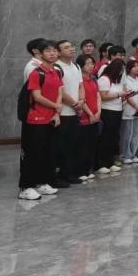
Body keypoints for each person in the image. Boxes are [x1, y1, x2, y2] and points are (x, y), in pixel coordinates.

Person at [19, 40, 63, 200]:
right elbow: (37, 96)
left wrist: (56, 113)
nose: (52, 53)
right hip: (35, 119)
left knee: (46, 153)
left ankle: (41, 183)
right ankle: (26, 187)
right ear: (40, 53)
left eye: (54, 50)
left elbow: (59, 91)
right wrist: (56, 106)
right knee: (32, 153)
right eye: (48, 51)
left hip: (50, 119)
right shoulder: (36, 73)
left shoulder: (56, 72)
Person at [55, 39, 84, 187]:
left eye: (72, 46)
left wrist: (82, 101)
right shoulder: (57, 67)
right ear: (58, 52)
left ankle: (69, 174)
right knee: (60, 146)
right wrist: (75, 104)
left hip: (75, 112)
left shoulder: (76, 66)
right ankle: (59, 175)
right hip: (62, 113)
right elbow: (60, 91)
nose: (71, 49)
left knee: (73, 145)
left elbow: (80, 86)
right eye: (66, 48)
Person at [95, 58, 127, 174]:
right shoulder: (104, 79)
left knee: (113, 138)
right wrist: (118, 94)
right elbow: (103, 96)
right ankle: (101, 164)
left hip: (117, 110)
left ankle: (110, 162)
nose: (121, 72)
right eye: (120, 70)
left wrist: (124, 95)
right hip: (107, 111)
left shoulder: (116, 81)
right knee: (105, 138)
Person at [75, 54, 101, 182]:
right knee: (82, 145)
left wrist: (99, 112)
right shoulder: (78, 80)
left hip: (96, 115)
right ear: (81, 65)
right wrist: (90, 114)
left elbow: (98, 96)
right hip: (85, 116)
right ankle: (80, 171)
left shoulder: (93, 79)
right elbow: (81, 99)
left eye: (92, 63)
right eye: (88, 63)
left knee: (92, 144)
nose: (91, 66)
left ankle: (88, 169)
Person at [120, 59, 138, 164]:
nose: (137, 68)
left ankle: (134, 154)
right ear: (129, 69)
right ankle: (126, 155)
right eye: (134, 66)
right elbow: (127, 96)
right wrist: (136, 106)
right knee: (127, 134)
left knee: (137, 134)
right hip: (129, 109)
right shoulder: (126, 80)